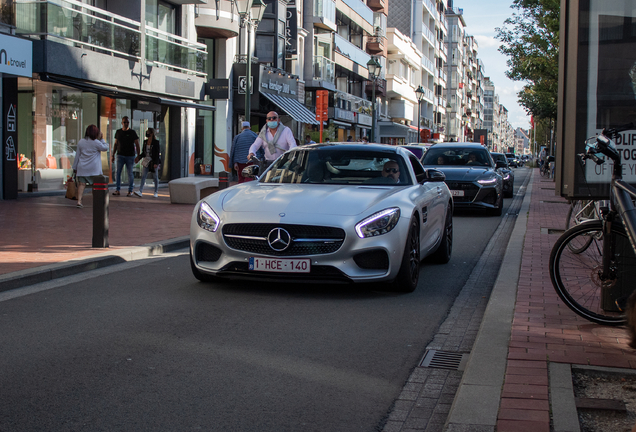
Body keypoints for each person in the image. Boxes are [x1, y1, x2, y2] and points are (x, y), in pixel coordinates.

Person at [72, 125, 109, 208]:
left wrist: (74, 167)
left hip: (82, 168)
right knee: (95, 186)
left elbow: (77, 155)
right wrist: (102, 139)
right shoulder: (96, 142)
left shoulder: (81, 142)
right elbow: (105, 148)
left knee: (82, 184)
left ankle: (79, 201)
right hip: (94, 168)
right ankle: (96, 202)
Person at [111, 116, 140, 196]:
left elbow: (137, 144)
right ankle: (117, 189)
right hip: (120, 155)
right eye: (124, 122)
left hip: (130, 156)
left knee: (130, 173)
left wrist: (138, 156)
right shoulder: (118, 132)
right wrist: (113, 155)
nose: (126, 124)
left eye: (127, 122)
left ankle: (130, 190)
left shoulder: (132, 132)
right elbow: (116, 144)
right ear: (122, 123)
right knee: (118, 172)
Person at [133, 128, 161, 198]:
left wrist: (156, 163)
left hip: (153, 161)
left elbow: (157, 154)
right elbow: (143, 153)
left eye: (148, 132)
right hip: (146, 160)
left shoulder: (156, 142)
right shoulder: (145, 142)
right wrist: (138, 158)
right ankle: (140, 191)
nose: (147, 133)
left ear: (151, 133)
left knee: (155, 177)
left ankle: (156, 191)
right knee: (143, 176)